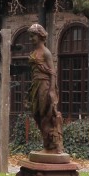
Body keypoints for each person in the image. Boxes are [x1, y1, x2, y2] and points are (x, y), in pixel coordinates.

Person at [27, 23, 64, 154]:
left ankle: (53, 145)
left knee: (46, 114)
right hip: (35, 85)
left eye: (33, 36)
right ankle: (47, 145)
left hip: (44, 85)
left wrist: (52, 90)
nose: (31, 39)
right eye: (30, 36)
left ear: (40, 36)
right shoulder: (34, 52)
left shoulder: (46, 52)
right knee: (36, 114)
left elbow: (52, 72)